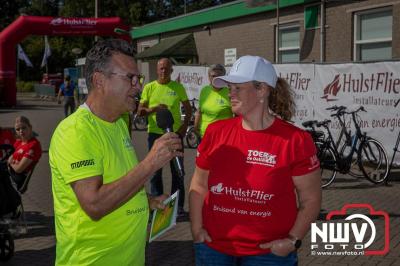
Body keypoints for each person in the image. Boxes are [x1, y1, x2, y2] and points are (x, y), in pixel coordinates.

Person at [49, 39, 183, 266]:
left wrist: (145, 200)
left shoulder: (119, 123)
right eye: (130, 78)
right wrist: (150, 163)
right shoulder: (75, 131)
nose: (138, 86)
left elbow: (116, 181)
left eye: (138, 79)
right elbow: (95, 204)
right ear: (99, 80)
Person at [189, 55, 321, 265]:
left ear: (262, 90)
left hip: (268, 254)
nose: (230, 93)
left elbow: (311, 199)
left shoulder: (295, 140)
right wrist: (197, 230)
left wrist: (292, 240)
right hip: (214, 248)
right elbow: (199, 183)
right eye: (229, 87)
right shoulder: (216, 132)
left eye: (237, 88)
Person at [138, 58, 192, 215]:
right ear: (157, 69)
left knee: (178, 172)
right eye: (161, 68)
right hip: (155, 135)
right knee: (155, 172)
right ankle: (157, 206)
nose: (163, 71)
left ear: (171, 71)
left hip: (174, 135)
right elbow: (140, 111)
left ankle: (178, 207)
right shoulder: (149, 87)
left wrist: (182, 129)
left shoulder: (178, 87)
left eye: (167, 69)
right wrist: (154, 109)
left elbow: (188, 110)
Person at [194, 64, 233, 138]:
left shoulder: (230, 92)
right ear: (209, 77)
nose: (216, 78)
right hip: (204, 135)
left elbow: (237, 116)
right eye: (213, 76)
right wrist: (195, 128)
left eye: (219, 76)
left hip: (223, 136)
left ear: (224, 77)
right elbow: (199, 111)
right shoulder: (204, 90)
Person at [7, 116, 42, 190]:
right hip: (8, 173)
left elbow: (19, 169)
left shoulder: (33, 145)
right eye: (18, 129)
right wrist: (13, 162)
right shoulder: (18, 142)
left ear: (30, 127)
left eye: (24, 128)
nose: (21, 131)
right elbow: (9, 158)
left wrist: (11, 163)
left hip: (16, 179)